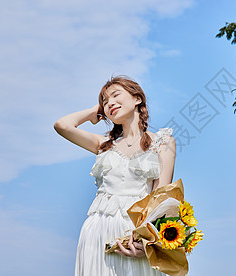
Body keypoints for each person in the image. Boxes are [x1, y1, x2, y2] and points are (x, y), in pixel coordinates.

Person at [54, 75, 176, 276]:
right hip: (97, 232)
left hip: (134, 235)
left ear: (137, 99)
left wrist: (148, 245)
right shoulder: (103, 144)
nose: (110, 102)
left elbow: (161, 199)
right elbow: (62, 125)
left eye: (115, 95)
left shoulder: (163, 142)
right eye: (105, 101)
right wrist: (95, 111)